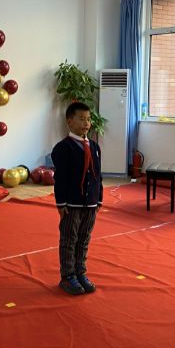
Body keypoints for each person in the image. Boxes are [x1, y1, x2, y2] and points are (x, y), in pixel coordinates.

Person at [51, 101, 103, 295]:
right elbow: (60, 178)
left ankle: (80, 272)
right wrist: (61, 203)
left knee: (84, 238)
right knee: (69, 239)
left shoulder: (95, 147)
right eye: (81, 119)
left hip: (90, 203)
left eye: (88, 119)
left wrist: (98, 199)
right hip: (71, 203)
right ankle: (68, 276)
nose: (86, 123)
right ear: (69, 121)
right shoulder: (63, 148)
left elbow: (98, 175)